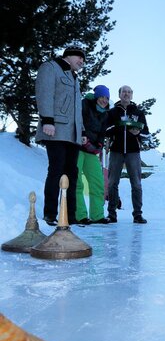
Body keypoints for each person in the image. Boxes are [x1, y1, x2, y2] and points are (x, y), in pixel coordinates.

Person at [35, 45, 85, 226]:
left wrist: (82, 131)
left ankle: (69, 216)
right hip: (55, 129)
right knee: (56, 170)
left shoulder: (75, 77)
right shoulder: (51, 67)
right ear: (70, 56)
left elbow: (77, 108)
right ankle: (50, 214)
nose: (82, 62)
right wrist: (47, 120)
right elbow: (44, 93)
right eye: (80, 58)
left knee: (72, 173)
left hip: (72, 134)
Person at [106, 85, 149, 223]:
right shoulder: (112, 112)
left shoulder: (138, 112)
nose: (126, 94)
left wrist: (138, 132)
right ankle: (111, 213)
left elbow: (146, 133)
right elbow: (106, 129)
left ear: (132, 95)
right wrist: (119, 126)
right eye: (124, 92)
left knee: (136, 183)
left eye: (129, 92)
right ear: (119, 94)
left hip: (133, 152)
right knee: (112, 183)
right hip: (116, 151)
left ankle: (137, 214)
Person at [75, 85, 111, 225]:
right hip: (78, 147)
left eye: (107, 98)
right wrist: (83, 135)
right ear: (96, 97)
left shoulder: (105, 113)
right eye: (102, 97)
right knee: (77, 182)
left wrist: (99, 145)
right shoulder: (85, 104)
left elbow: (102, 132)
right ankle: (80, 215)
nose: (104, 100)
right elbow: (79, 120)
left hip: (91, 150)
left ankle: (97, 215)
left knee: (97, 182)